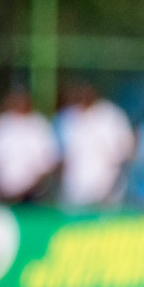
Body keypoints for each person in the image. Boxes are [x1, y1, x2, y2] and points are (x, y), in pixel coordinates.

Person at [59, 81, 135, 209]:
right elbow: (61, 159)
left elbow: (125, 153)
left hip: (107, 193)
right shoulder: (66, 118)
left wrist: (113, 187)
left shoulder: (112, 116)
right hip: (75, 194)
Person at [0, 88, 58, 204]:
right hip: (4, 195)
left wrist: (29, 188)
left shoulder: (39, 125)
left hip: (33, 195)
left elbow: (49, 162)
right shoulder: (0, 125)